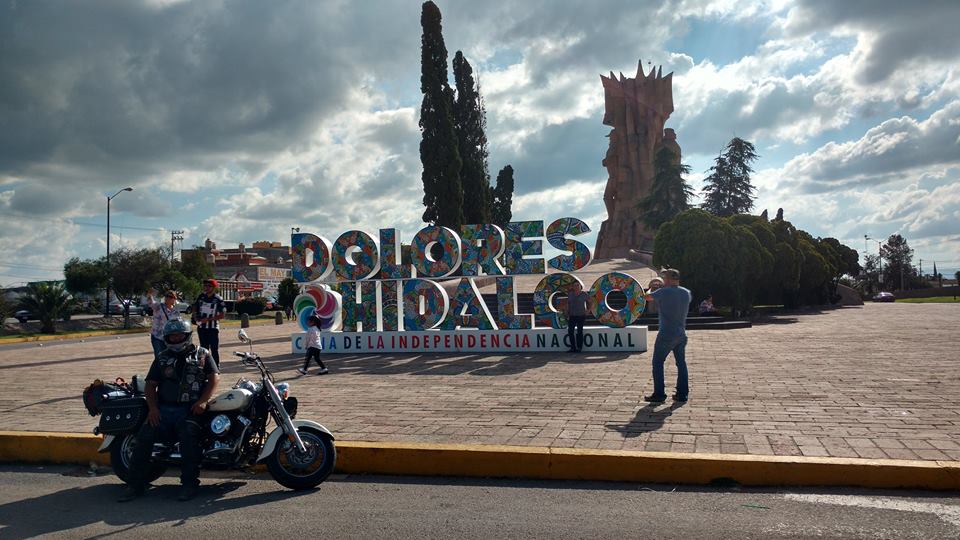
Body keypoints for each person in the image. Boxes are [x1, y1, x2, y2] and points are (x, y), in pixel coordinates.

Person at [119, 320, 219, 502]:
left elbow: (214, 378)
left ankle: (189, 484)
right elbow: (150, 385)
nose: (176, 339)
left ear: (187, 335)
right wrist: (153, 409)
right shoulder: (162, 357)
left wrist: (203, 401)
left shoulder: (203, 354)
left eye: (179, 335)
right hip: (164, 409)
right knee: (144, 436)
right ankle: (134, 485)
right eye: (172, 336)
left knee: (189, 438)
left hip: (190, 410)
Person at [644, 268, 692, 403]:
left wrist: (650, 289)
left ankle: (659, 394)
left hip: (666, 333)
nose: (663, 280)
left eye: (665, 278)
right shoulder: (686, 293)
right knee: (681, 363)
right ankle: (682, 394)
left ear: (669, 279)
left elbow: (647, 298)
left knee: (658, 363)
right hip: (681, 334)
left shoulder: (663, 291)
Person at [192, 279, 226, 367]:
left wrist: (209, 319)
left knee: (214, 348)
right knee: (203, 349)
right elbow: (195, 307)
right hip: (202, 328)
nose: (206, 288)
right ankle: (205, 366)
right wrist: (195, 317)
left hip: (213, 328)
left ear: (213, 288)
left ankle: (215, 366)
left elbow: (222, 315)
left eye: (208, 286)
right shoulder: (201, 296)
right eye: (205, 286)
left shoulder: (218, 299)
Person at [145, 289, 183, 359]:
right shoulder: (158, 306)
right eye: (166, 296)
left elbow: (179, 323)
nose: (168, 298)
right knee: (159, 357)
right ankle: (157, 369)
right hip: (157, 336)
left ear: (174, 299)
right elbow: (150, 303)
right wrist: (149, 294)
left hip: (170, 338)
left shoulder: (176, 311)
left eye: (170, 297)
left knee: (170, 357)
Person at [565, 281, 589, 353]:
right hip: (572, 315)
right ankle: (573, 348)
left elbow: (591, 302)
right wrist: (567, 313)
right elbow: (568, 304)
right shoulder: (570, 294)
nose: (576, 287)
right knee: (570, 331)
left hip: (581, 315)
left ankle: (579, 347)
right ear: (573, 287)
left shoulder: (584, 294)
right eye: (575, 285)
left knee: (579, 331)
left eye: (578, 285)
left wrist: (588, 310)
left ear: (580, 287)